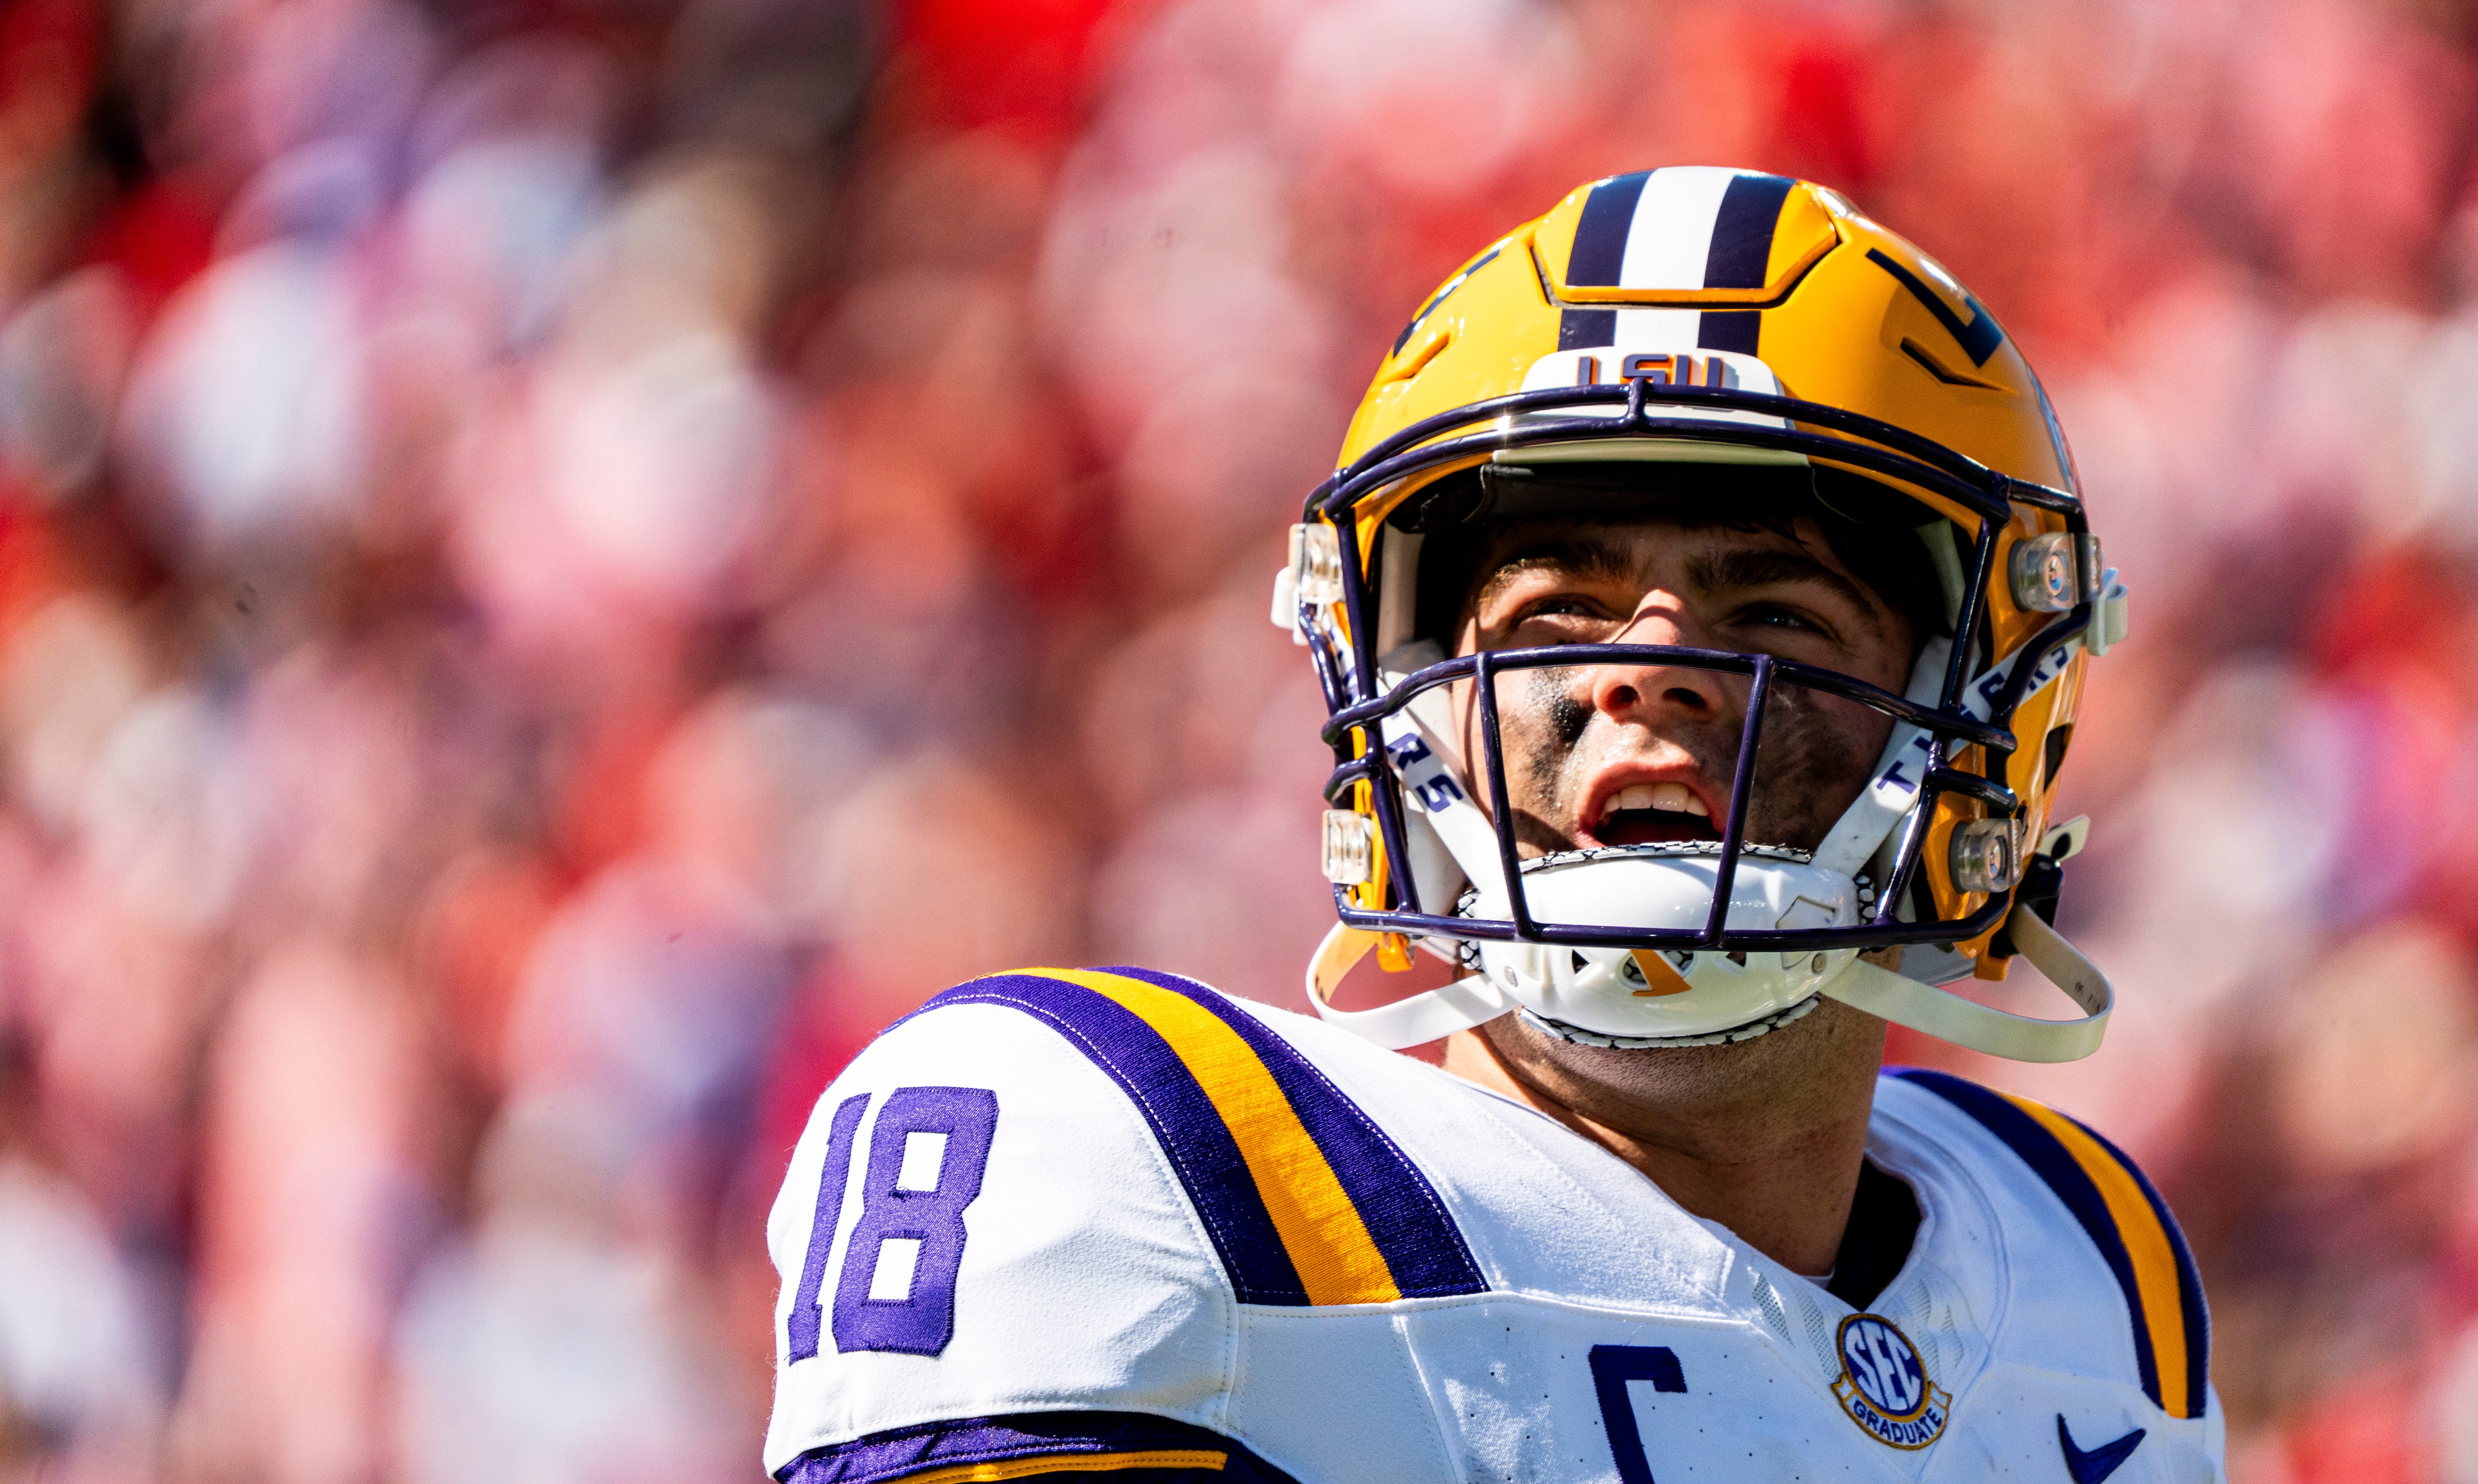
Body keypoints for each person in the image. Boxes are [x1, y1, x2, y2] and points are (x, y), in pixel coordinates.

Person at [761, 169, 2219, 1483]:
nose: (1645, 669)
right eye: (1555, 616)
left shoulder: (2087, 1264)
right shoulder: (1162, 1172)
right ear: (1399, 692)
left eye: (1775, 613)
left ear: (1990, 711)